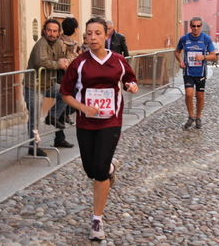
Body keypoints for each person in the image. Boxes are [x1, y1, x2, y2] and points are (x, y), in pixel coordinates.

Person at [60, 16, 138, 241]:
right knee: (91, 170)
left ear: (106, 35)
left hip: (110, 121)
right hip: (86, 122)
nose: (92, 37)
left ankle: (97, 220)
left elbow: (130, 82)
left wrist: (132, 86)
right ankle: (111, 168)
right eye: (89, 34)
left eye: (97, 33)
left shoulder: (119, 61)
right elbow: (65, 94)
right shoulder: (79, 63)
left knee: (99, 171)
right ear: (85, 37)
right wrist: (83, 106)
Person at [23, 19, 74, 158]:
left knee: (66, 92)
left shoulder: (58, 44)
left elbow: (61, 58)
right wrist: (59, 64)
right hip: (34, 86)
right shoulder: (41, 44)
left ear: (59, 33)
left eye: (55, 31)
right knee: (34, 118)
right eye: (49, 30)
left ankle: (52, 116)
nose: (51, 33)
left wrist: (64, 61)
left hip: (49, 84)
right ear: (44, 31)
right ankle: (33, 146)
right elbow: (41, 62)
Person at [174, 16, 215, 130]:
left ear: (201, 26)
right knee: (188, 94)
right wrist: (181, 61)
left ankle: (198, 117)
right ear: (190, 26)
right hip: (188, 72)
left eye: (198, 26)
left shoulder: (206, 39)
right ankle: (191, 116)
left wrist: (203, 57)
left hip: (200, 72)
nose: (196, 28)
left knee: (200, 96)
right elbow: (177, 51)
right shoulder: (184, 38)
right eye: (193, 26)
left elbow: (213, 55)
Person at [58, 17, 79, 126]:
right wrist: (75, 60)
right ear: (74, 29)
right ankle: (60, 114)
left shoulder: (73, 42)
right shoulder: (61, 42)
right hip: (63, 75)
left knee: (76, 96)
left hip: (72, 73)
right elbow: (62, 59)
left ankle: (63, 114)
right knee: (71, 96)